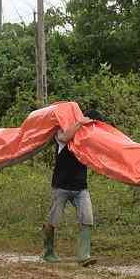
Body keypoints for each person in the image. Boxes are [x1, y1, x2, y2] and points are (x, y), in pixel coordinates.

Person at [44, 114, 95, 266]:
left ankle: (83, 256)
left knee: (87, 219)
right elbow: (65, 138)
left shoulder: (84, 137)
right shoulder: (59, 133)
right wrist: (80, 122)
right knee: (54, 220)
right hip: (61, 186)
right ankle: (48, 252)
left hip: (81, 186)